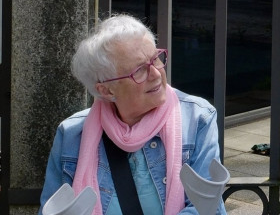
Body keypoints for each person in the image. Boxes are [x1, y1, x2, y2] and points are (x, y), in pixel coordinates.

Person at [40, 14, 226, 215]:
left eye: (156, 59)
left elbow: (206, 209)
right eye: (139, 70)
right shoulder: (72, 135)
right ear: (106, 90)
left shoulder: (198, 119)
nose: (156, 74)